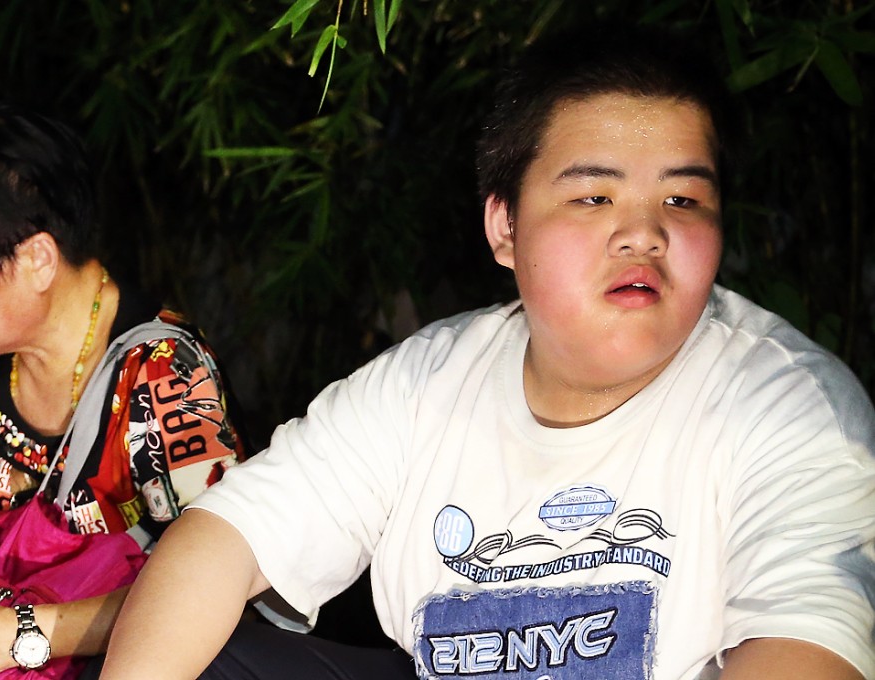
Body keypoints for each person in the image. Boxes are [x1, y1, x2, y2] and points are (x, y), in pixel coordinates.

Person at [101, 23, 875, 680]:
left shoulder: (791, 408)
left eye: (682, 198)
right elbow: (226, 539)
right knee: (226, 653)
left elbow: (805, 646)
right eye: (593, 196)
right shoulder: (428, 381)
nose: (645, 232)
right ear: (504, 227)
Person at [0, 103, 246, 679]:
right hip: (6, 623)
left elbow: (212, 585)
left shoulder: (164, 372)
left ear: (37, 258)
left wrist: (21, 635)